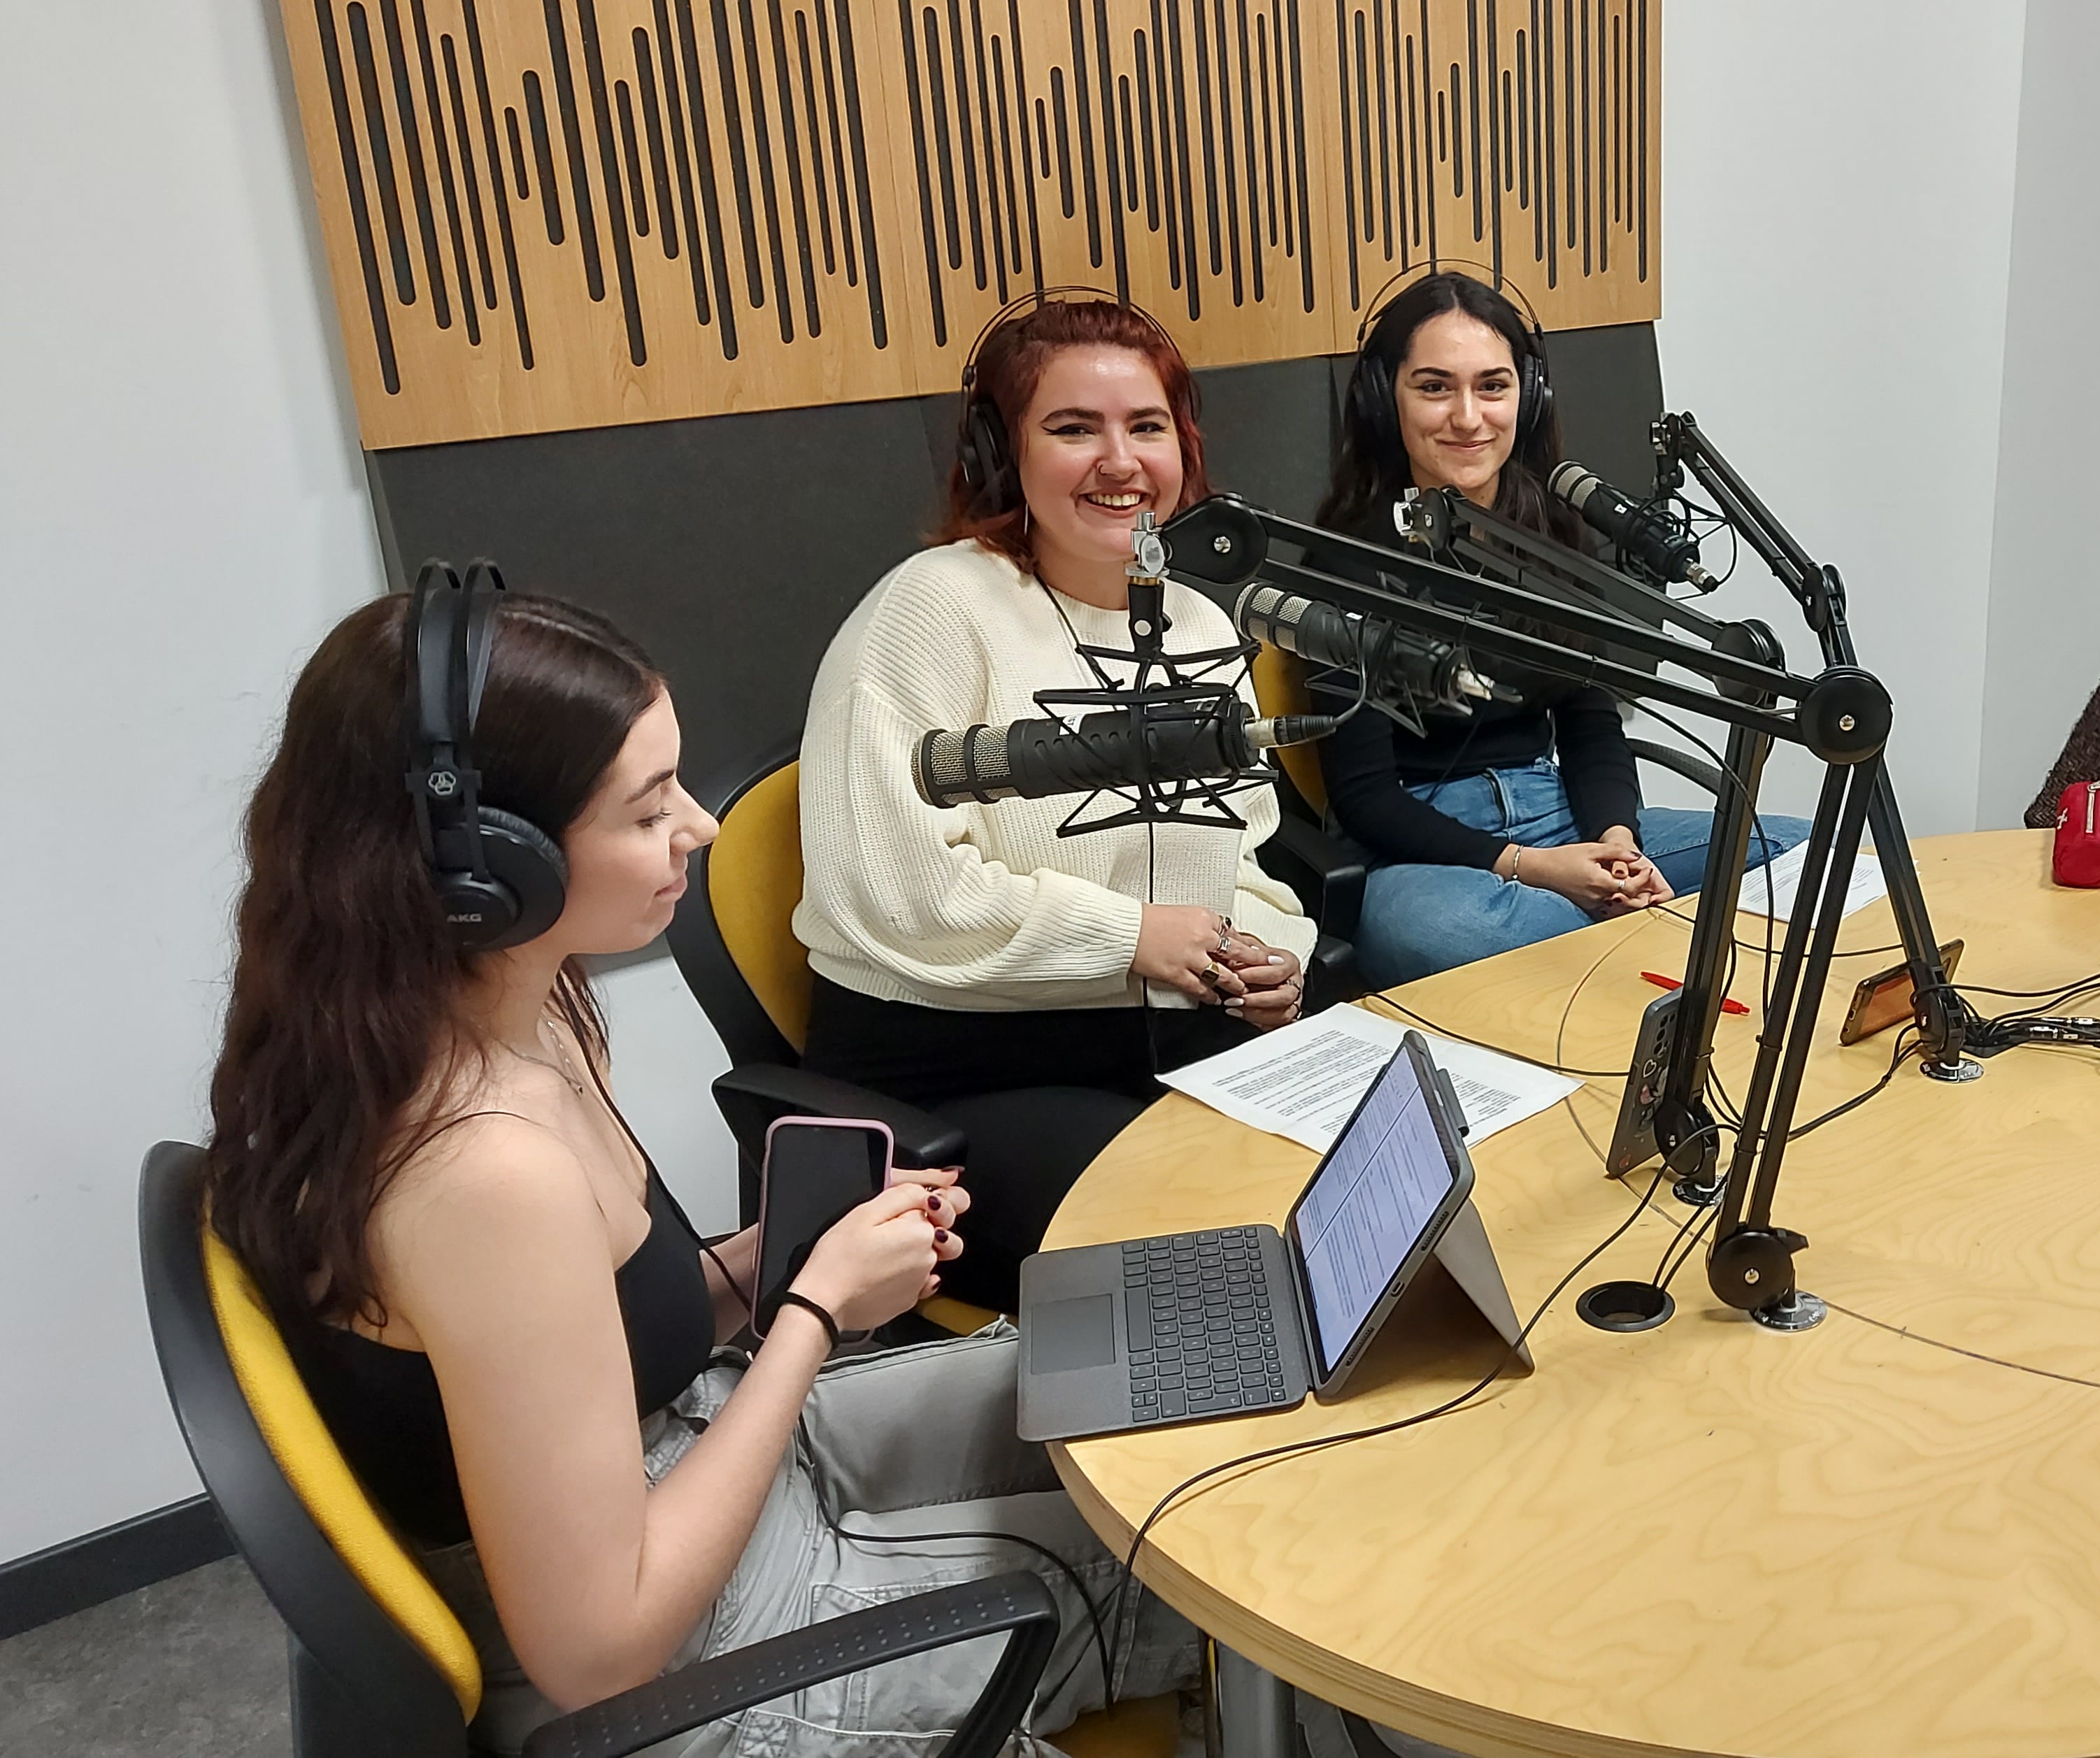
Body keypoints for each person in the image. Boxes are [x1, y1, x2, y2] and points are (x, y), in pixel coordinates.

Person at [204, 575, 1194, 1755]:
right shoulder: (479, 1168)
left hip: (695, 1454)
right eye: (643, 807)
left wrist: (770, 1258)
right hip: (686, 1665)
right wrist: (816, 1306)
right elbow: (598, 1649)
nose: (703, 826)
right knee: (1219, 1551)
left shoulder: (516, 1005)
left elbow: (590, 1325)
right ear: (492, 862)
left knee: (1160, 1384)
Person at [795, 295, 1313, 1312]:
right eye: (1074, 429)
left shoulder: (1202, 623)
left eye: (1146, 427)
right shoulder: (931, 610)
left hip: (1158, 1033)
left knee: (1355, 1179)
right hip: (951, 1077)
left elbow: (1244, 855)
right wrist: (1130, 938)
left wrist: (1266, 955)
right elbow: (898, 890)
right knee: (1202, 1253)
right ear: (1004, 455)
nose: (1119, 461)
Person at [1310, 271, 1806, 987]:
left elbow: (1588, 715)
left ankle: (1622, 949)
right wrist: (1537, 871)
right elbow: (1365, 799)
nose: (1467, 416)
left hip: (1563, 813)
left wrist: (1616, 843)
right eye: (1433, 387)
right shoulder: (1340, 561)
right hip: (1427, 853)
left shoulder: (1548, 533)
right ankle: (1649, 960)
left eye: (1492, 385)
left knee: (1807, 855)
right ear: (1386, 400)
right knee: (1445, 936)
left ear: (1528, 396)